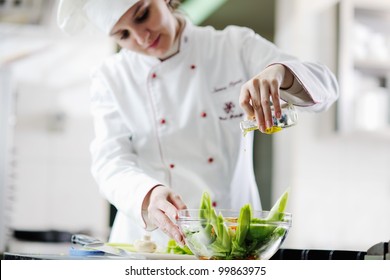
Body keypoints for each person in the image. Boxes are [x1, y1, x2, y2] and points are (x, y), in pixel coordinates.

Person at [57, 0, 339, 247]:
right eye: (123, 35)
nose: (141, 38)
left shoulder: (232, 46)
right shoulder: (112, 77)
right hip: (151, 246)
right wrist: (148, 195)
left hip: (231, 241)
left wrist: (280, 72)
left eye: (143, 15)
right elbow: (110, 162)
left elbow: (327, 87)